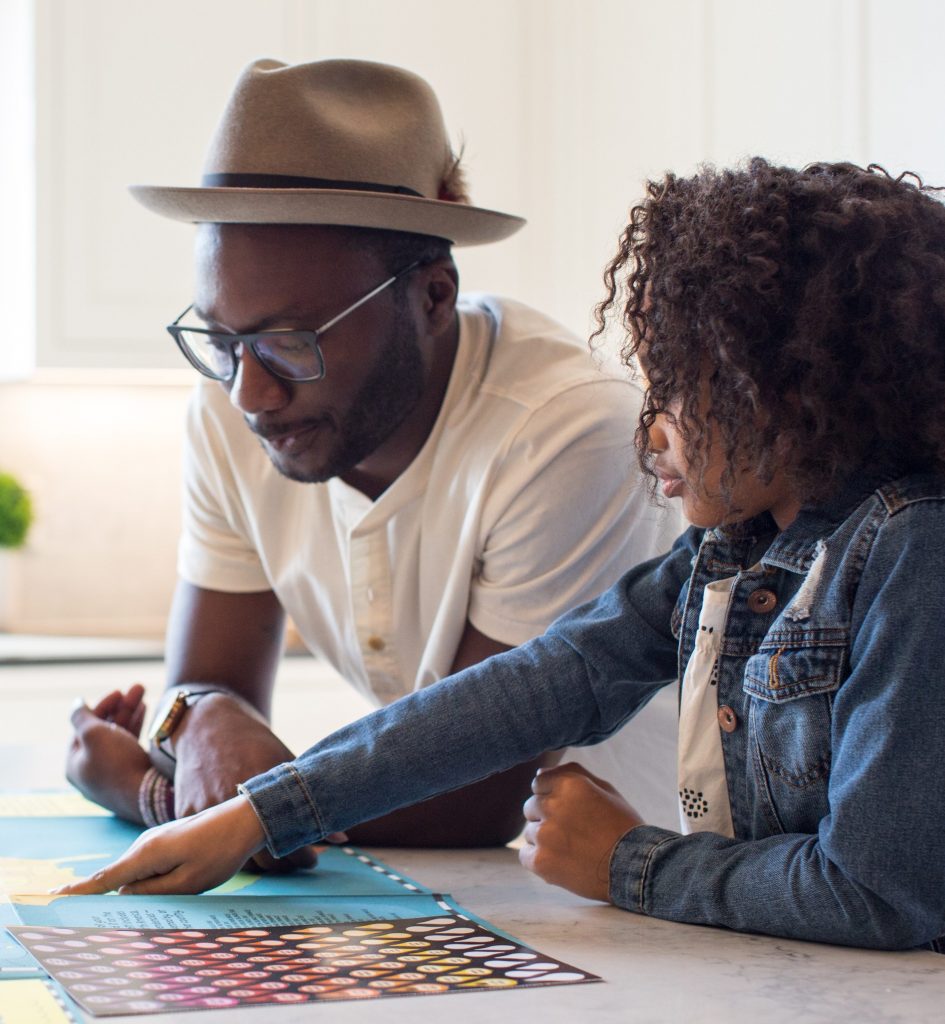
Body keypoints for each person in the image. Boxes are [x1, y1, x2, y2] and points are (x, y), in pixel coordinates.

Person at [61, 158, 945, 953]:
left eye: (676, 391)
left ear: (789, 395)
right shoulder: (734, 552)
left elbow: (877, 894)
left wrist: (628, 865)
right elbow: (543, 681)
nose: (648, 432)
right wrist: (261, 813)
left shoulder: (914, 552)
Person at [64, 57, 677, 857]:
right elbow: (209, 694)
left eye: (292, 340)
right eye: (222, 340)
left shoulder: (562, 430)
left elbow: (474, 793)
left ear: (431, 296)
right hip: (436, 887)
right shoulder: (229, 410)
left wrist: (146, 789)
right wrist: (202, 716)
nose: (251, 391)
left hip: (642, 898)